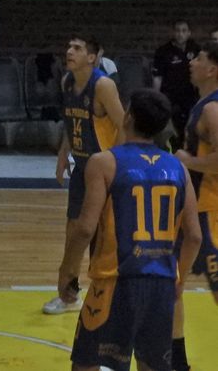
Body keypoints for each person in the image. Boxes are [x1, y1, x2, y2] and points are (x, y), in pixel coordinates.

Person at [57, 88, 201, 371]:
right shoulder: (178, 169)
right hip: (160, 287)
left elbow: (85, 228)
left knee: (86, 364)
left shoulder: (104, 163)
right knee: (152, 365)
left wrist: (67, 273)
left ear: (128, 118)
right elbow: (194, 236)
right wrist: (179, 280)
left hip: (115, 284)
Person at [43, 35, 126, 315]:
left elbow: (123, 124)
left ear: (92, 57)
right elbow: (71, 122)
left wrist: (120, 164)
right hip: (81, 167)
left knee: (102, 236)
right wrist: (62, 154)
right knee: (73, 233)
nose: (69, 51)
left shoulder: (103, 85)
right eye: (68, 46)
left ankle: (106, 293)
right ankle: (68, 296)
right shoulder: (67, 81)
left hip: (104, 169)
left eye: (77, 48)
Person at [171, 40, 218, 371]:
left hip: (211, 213)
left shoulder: (214, 109)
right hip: (193, 212)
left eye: (198, 58)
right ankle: (177, 362)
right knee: (172, 283)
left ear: (212, 68)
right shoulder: (202, 104)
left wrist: (185, 160)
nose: (192, 61)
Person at [152, 20, 200, 150]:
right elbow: (157, 77)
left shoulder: (195, 50)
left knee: (190, 126)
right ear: (173, 32)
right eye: (178, 30)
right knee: (172, 128)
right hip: (170, 96)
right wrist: (157, 97)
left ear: (189, 33)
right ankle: (173, 150)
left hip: (190, 96)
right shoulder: (163, 52)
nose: (180, 34)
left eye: (184, 31)